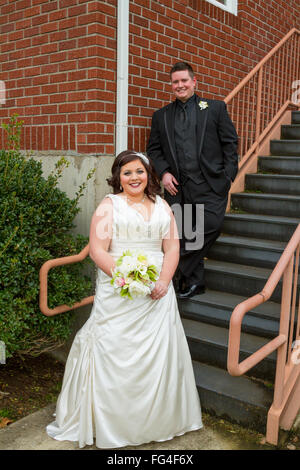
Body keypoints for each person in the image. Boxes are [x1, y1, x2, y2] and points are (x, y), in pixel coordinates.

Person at [46, 150, 203, 449]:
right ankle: (112, 423)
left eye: (140, 172)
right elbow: (98, 250)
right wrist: (129, 279)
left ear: (149, 175)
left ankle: (157, 420)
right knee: (115, 352)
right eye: (127, 172)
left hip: (158, 293)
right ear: (118, 176)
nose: (134, 178)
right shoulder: (110, 206)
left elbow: (172, 248)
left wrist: (163, 281)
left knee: (159, 357)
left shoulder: (162, 205)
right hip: (120, 290)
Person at [147, 62, 238, 299]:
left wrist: (228, 176)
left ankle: (171, 268)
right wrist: (164, 173)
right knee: (187, 233)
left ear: (194, 82)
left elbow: (230, 143)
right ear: (171, 85)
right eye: (175, 82)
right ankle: (195, 282)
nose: (180, 85)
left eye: (184, 81)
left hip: (211, 185)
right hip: (177, 188)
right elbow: (154, 150)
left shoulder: (215, 108)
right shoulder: (161, 116)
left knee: (211, 226)